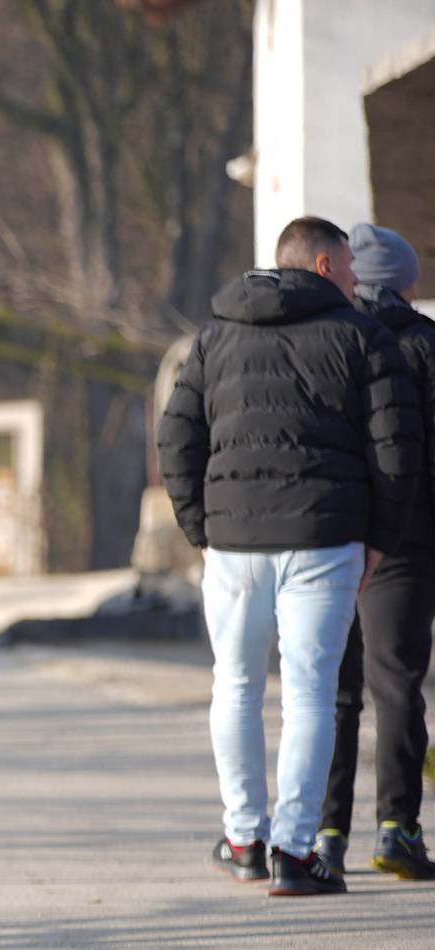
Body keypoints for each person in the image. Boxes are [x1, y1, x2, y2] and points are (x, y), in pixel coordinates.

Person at [158, 215, 420, 896]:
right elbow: (397, 449)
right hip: (325, 542)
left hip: (233, 545)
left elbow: (176, 438)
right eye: (350, 266)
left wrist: (201, 528)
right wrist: (380, 540)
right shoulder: (362, 338)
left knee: (235, 686)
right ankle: (296, 854)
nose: (360, 279)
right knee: (309, 695)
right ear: (326, 265)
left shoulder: (214, 337)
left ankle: (244, 838)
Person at [315, 223, 435, 881]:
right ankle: (398, 828)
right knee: (397, 686)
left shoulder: (332, 341)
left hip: (334, 539)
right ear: (404, 282)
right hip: (408, 546)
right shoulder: (423, 344)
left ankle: (326, 833)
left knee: (336, 693)